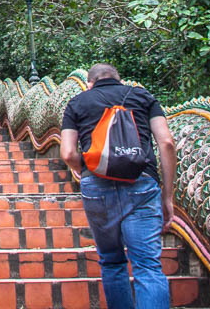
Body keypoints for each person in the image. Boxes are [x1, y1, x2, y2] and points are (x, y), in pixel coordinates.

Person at [59, 63, 176, 309]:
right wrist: (167, 196)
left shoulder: (78, 102)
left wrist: (90, 169)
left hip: (97, 187)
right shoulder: (143, 96)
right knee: (147, 265)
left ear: (89, 83)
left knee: (112, 261)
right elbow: (166, 143)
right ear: (119, 79)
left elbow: (68, 153)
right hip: (141, 184)